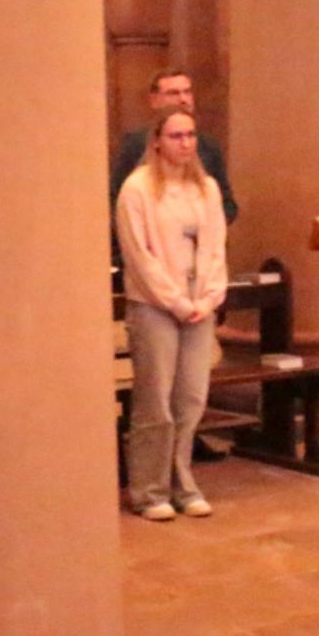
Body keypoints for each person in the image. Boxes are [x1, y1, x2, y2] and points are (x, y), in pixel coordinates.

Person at [114, 109, 228, 520]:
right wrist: (177, 301)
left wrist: (209, 296)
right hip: (155, 307)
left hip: (199, 307)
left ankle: (184, 484)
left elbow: (215, 247)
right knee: (156, 401)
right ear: (157, 140)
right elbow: (140, 257)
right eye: (176, 135)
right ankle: (148, 490)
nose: (185, 142)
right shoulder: (137, 189)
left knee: (191, 398)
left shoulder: (207, 188)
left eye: (191, 134)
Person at [109, 70, 237, 225]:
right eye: (173, 93)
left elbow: (228, 205)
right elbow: (116, 201)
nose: (183, 99)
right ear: (154, 100)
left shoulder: (208, 146)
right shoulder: (135, 145)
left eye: (187, 92)